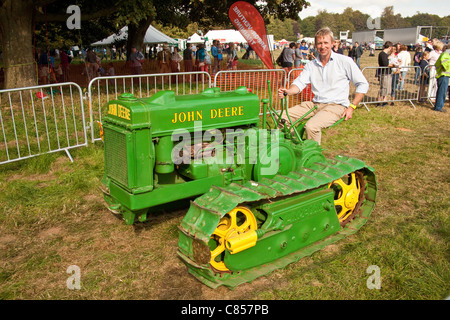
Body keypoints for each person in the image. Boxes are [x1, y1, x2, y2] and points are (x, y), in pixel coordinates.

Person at [277, 27, 369, 145]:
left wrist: (352, 107)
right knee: (280, 116)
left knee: (311, 127)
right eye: (319, 43)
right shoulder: (311, 65)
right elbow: (300, 83)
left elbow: (362, 84)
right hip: (315, 104)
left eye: (326, 42)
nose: (322, 46)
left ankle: (313, 158)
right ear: (315, 45)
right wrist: (288, 91)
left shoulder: (345, 61)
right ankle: (290, 148)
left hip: (336, 106)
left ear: (332, 43)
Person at [377, 41, 395, 107]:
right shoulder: (382, 54)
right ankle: (379, 101)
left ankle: (385, 100)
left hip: (388, 73)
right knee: (383, 88)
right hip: (384, 73)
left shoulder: (387, 55)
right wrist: (393, 65)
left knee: (386, 88)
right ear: (389, 47)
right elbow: (385, 64)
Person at [433, 45, 450, 112]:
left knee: (441, 92)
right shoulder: (446, 54)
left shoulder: (445, 54)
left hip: (443, 75)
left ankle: (438, 106)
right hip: (443, 75)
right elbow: (444, 63)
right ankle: (439, 107)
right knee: (442, 92)